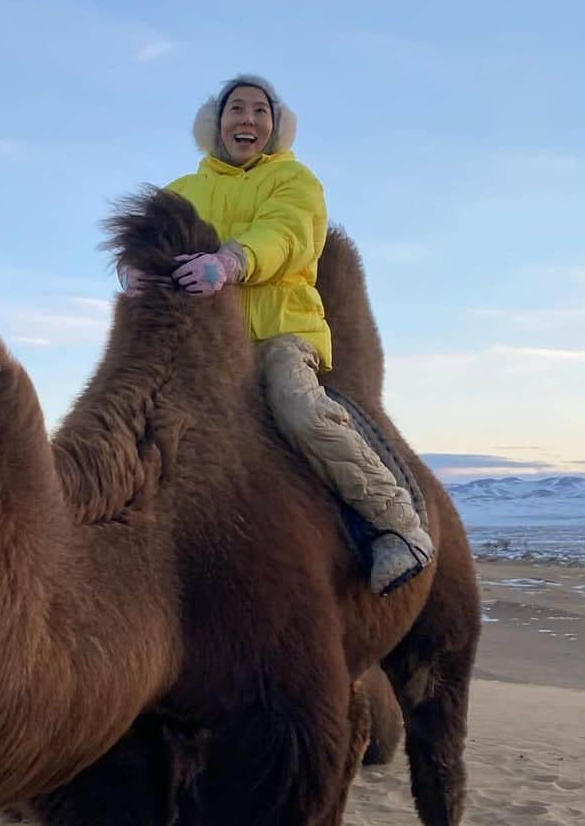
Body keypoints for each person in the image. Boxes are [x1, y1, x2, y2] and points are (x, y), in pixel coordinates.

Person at [119, 74, 433, 596]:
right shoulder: (180, 193)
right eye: (235, 109)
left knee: (295, 402)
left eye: (259, 111)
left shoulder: (294, 181)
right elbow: (149, 243)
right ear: (215, 123)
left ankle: (395, 522)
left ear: (275, 125)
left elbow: (288, 235)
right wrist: (136, 271)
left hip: (281, 331)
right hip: (202, 343)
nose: (247, 119)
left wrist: (232, 260)